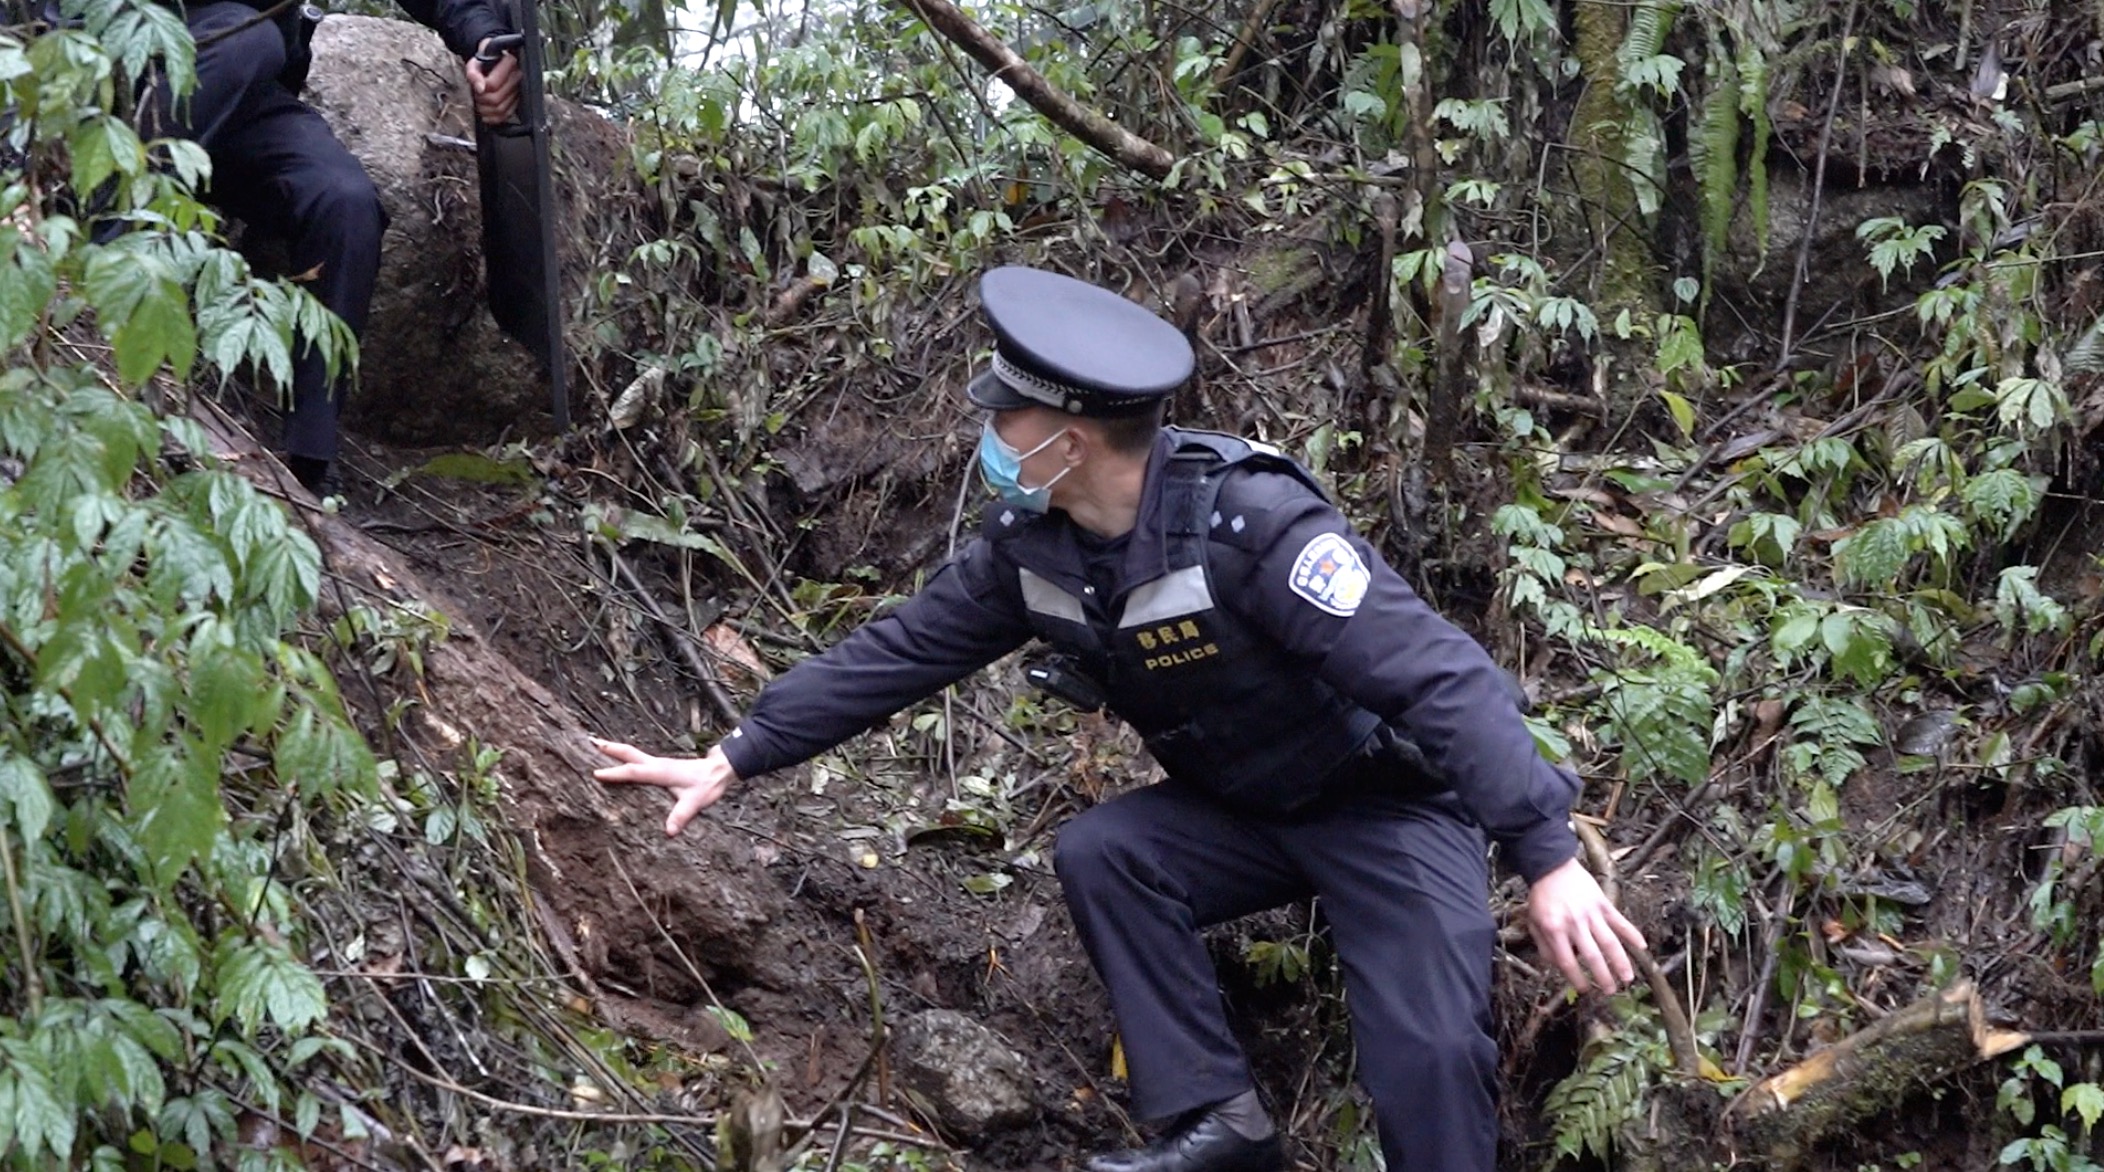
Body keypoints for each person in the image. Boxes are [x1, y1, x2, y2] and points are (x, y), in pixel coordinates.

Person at [590, 265, 1647, 1172]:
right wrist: (735, 755)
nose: (987, 435)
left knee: (1422, 1048)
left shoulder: (1250, 524)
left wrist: (1545, 850)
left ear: (1069, 437)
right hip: (1239, 810)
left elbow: (1442, 677)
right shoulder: (1032, 545)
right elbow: (903, 650)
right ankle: (1220, 1114)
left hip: (1382, 808)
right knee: (1107, 850)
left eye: (1004, 417)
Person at [133, 0, 524, 495]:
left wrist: (485, 39)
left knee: (343, 202)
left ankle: (309, 463)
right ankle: (97, 234)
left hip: (244, 100)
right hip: (134, 83)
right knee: (248, 40)